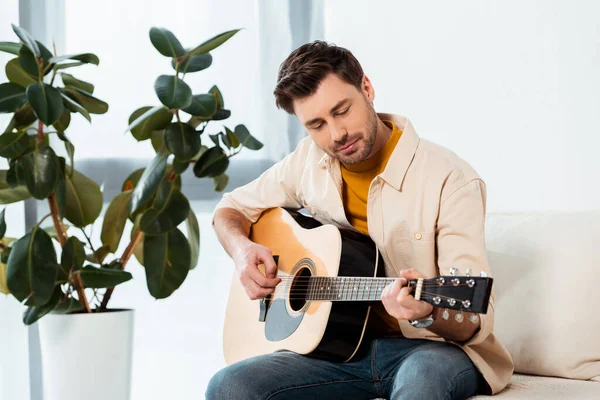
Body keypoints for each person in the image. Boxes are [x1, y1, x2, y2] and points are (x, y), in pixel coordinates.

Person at [206, 40, 513, 400]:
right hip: (335, 349)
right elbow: (230, 209)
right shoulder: (307, 162)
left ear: (366, 88)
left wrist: (426, 310)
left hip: (429, 350)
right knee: (229, 387)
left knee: (422, 382)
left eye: (342, 111)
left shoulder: (451, 179)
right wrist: (242, 252)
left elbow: (473, 320)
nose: (336, 134)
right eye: (316, 124)